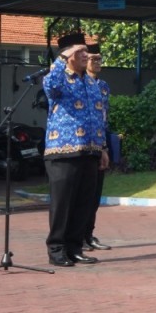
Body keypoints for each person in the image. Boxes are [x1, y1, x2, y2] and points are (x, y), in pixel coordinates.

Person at [43, 33, 109, 267]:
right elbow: (49, 86)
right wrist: (62, 58)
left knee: (84, 204)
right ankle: (57, 249)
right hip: (63, 151)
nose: (86, 55)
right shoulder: (59, 79)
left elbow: (99, 117)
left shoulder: (92, 83)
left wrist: (102, 149)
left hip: (90, 152)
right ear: (68, 55)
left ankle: (75, 248)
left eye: (86, 51)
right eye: (80, 52)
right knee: (63, 205)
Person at [79, 44, 115, 252]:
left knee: (94, 194)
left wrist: (105, 147)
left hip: (100, 143)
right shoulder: (79, 83)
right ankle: (78, 237)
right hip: (83, 144)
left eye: (100, 59)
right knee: (82, 195)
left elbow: (104, 118)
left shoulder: (103, 86)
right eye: (94, 59)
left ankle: (88, 234)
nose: (98, 62)